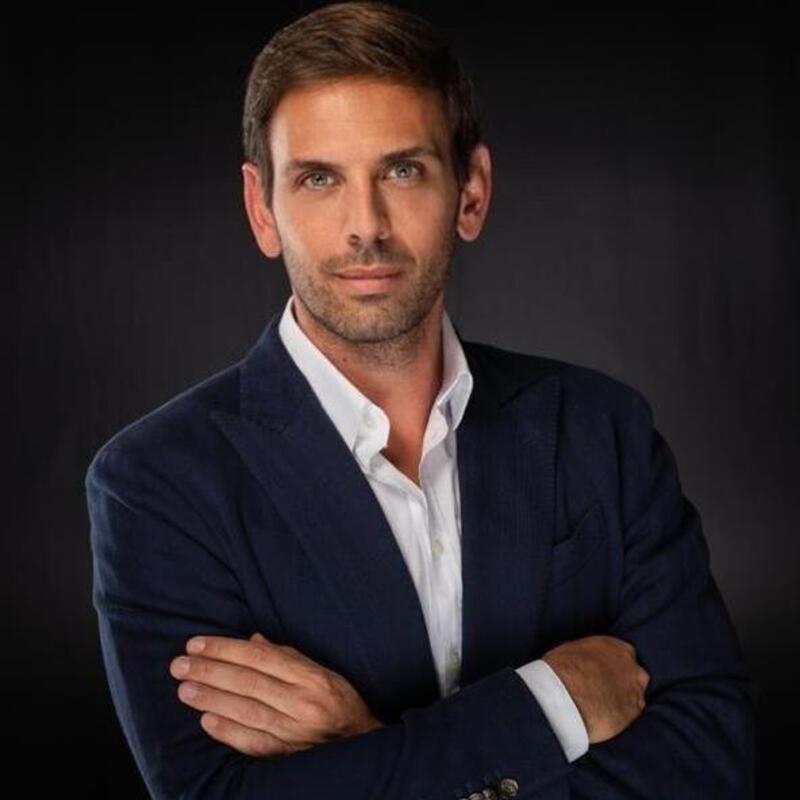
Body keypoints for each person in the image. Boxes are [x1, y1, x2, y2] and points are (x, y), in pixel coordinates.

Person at [85, 2, 756, 798]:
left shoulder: (603, 429)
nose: (365, 226)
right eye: (319, 178)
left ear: (471, 192)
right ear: (262, 209)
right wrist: (551, 702)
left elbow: (711, 755)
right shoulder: (156, 483)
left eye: (402, 171)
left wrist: (364, 748)